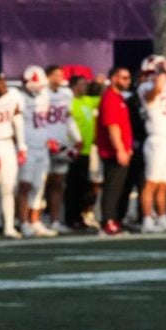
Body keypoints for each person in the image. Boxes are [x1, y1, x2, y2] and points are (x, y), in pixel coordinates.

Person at [17, 66, 57, 238]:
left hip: (42, 145)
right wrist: (20, 146)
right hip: (28, 146)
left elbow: (44, 120)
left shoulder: (45, 95)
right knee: (25, 185)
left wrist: (49, 137)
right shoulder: (18, 97)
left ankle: (35, 220)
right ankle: (23, 221)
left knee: (40, 185)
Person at [137, 55, 166, 232]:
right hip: (156, 139)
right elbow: (154, 93)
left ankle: (162, 217)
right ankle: (146, 219)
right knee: (150, 183)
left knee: (164, 184)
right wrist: (162, 75)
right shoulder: (145, 86)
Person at [0, 73, 27, 237]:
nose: (4, 85)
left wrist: (22, 145)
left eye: (4, 82)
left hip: (7, 143)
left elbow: (18, 120)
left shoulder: (13, 95)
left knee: (9, 187)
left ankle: (9, 225)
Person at [95, 66, 133, 235]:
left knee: (118, 188)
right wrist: (120, 149)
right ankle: (107, 221)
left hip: (121, 150)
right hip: (112, 152)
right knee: (112, 187)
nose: (127, 81)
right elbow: (112, 127)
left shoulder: (118, 97)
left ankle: (114, 219)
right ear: (114, 78)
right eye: (123, 77)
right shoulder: (110, 97)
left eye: (128, 78)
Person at [41, 65, 79, 232]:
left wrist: (76, 137)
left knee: (58, 182)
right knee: (41, 182)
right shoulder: (41, 94)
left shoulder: (66, 93)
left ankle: (55, 219)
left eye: (61, 75)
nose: (59, 78)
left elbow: (68, 116)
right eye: (55, 74)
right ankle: (39, 217)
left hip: (61, 140)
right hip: (44, 142)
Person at [66, 75, 99, 231]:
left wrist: (98, 83)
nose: (84, 86)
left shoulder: (87, 100)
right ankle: (71, 218)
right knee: (72, 187)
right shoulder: (69, 102)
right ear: (73, 86)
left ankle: (80, 217)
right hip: (73, 151)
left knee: (82, 187)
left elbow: (102, 96)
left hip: (86, 151)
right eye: (81, 84)